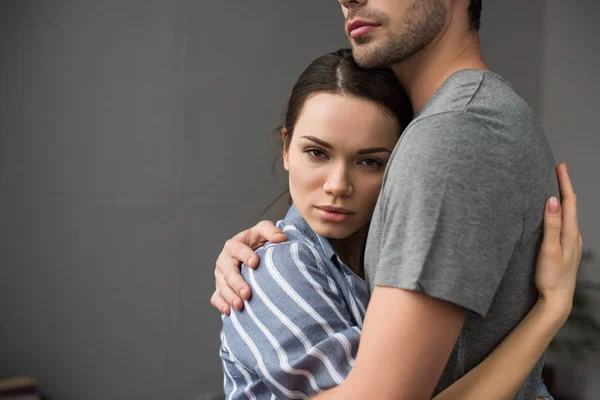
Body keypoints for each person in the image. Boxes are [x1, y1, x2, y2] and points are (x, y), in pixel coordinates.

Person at [214, 1, 584, 398]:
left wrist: (550, 313)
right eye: (317, 152)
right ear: (287, 146)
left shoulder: (453, 136)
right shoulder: (469, 121)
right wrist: (548, 313)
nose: (338, 185)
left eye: (370, 161)